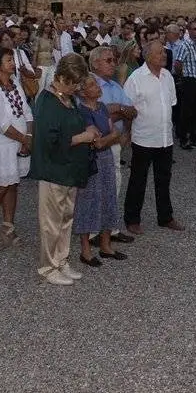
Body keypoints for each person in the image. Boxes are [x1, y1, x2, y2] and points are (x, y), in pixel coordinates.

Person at [29, 54, 100, 285]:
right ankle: (47, 266)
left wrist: (87, 126)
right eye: (75, 83)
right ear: (62, 77)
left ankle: (61, 260)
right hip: (53, 169)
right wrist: (83, 137)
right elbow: (49, 139)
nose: (78, 87)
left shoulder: (68, 99)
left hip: (70, 169)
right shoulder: (47, 101)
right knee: (51, 221)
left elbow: (74, 121)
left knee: (66, 217)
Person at [124, 41, 185, 232]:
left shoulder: (167, 76)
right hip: (144, 138)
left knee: (164, 179)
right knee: (138, 180)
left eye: (165, 53)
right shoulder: (136, 78)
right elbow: (127, 108)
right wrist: (128, 132)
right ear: (147, 56)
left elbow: (171, 103)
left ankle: (165, 217)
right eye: (160, 53)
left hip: (165, 138)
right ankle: (132, 219)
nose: (164, 56)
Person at [0, 47, 33, 251]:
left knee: (13, 185)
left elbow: (27, 112)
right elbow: (2, 124)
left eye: (13, 59)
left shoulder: (15, 83)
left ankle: (8, 225)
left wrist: (28, 136)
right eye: (9, 60)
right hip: (2, 146)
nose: (13, 63)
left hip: (19, 143)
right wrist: (25, 140)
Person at [74, 74, 127, 266]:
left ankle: (106, 246)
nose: (97, 87)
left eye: (96, 84)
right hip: (91, 161)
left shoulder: (102, 107)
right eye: (92, 85)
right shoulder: (82, 112)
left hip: (105, 157)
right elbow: (96, 138)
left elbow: (114, 132)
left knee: (108, 198)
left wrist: (104, 140)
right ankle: (85, 250)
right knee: (88, 201)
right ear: (82, 92)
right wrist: (107, 139)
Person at [88, 46, 137, 244]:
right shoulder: (89, 85)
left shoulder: (115, 86)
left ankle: (110, 228)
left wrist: (117, 112)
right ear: (95, 63)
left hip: (115, 142)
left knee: (114, 186)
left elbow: (132, 111)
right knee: (95, 188)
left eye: (114, 60)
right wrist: (117, 110)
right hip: (97, 145)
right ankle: (92, 232)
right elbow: (95, 113)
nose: (113, 64)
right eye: (108, 60)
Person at [174, 21, 196, 150]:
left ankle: (194, 138)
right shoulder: (185, 45)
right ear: (189, 30)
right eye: (195, 29)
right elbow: (178, 63)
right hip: (189, 81)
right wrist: (182, 77)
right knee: (186, 112)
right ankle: (184, 139)